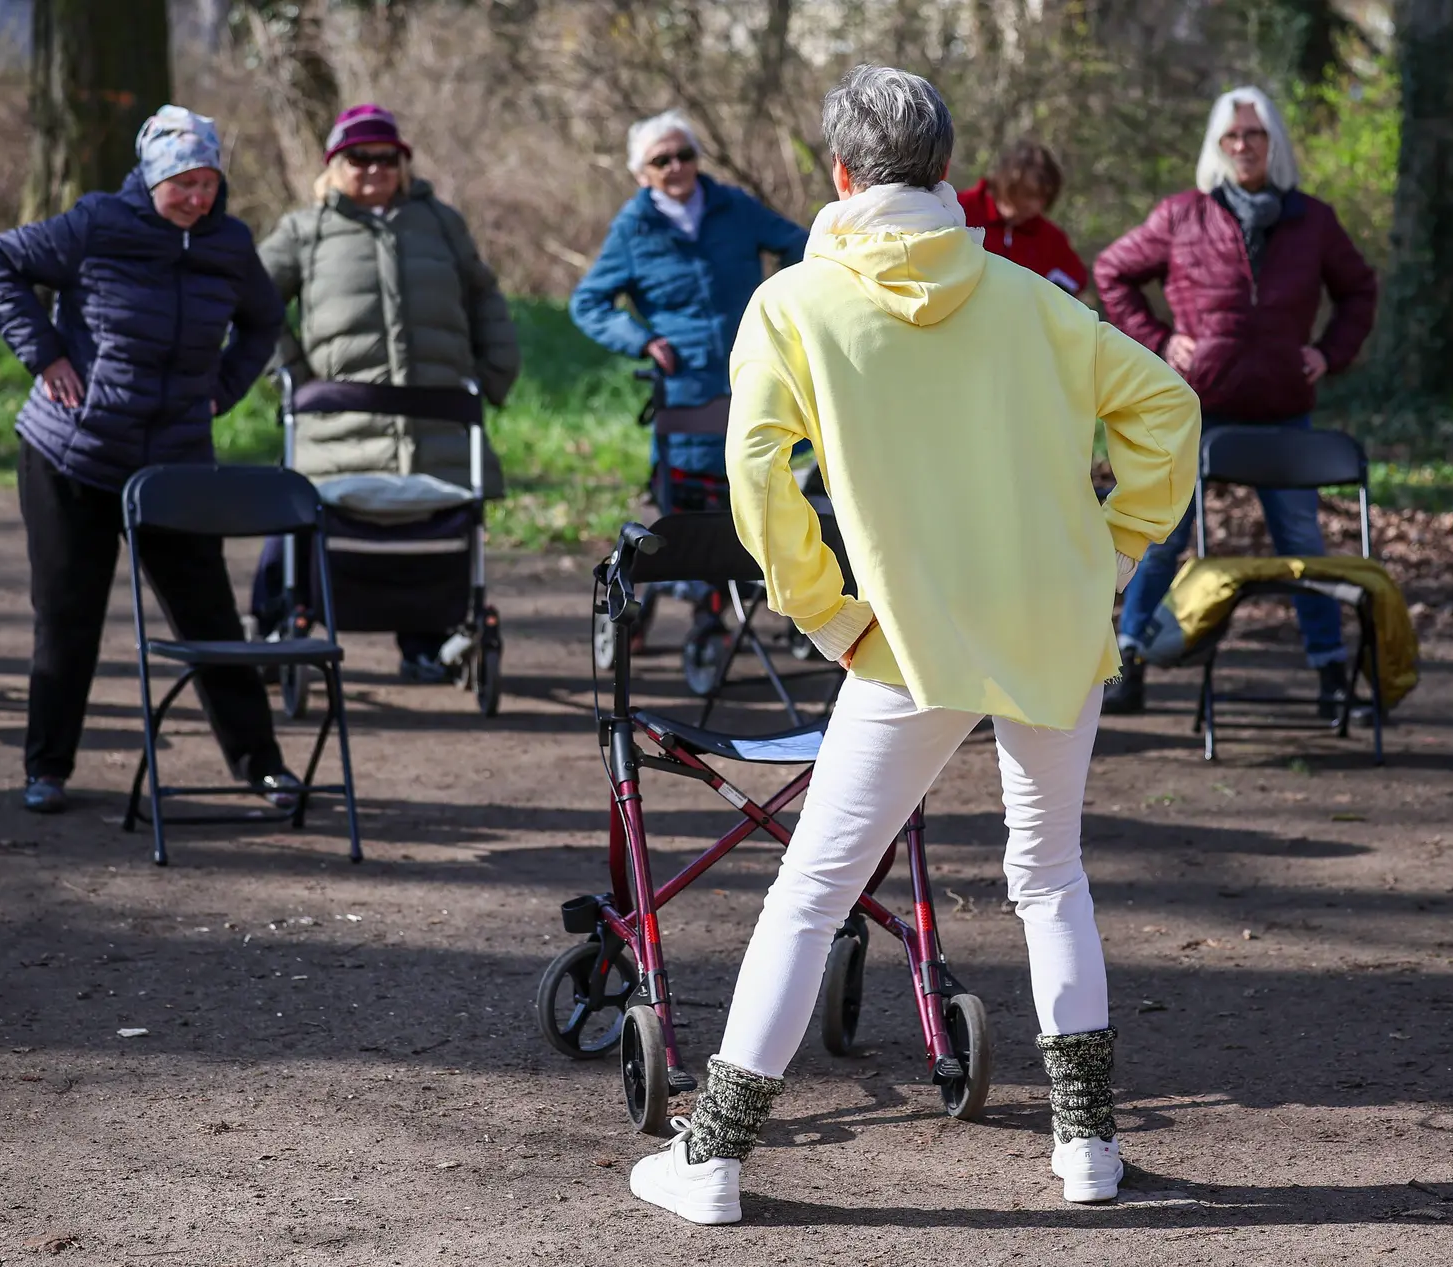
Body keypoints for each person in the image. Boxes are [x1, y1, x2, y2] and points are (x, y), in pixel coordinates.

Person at [625, 66, 1200, 1225]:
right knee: (1050, 876)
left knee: (812, 888)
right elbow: (1168, 411)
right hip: (1051, 615)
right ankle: (1086, 1147)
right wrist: (1116, 548)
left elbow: (754, 482)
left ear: (840, 177)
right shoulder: (1028, 296)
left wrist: (830, 612)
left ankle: (716, 1155)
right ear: (945, 170)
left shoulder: (793, 304)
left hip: (904, 639)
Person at [0, 106, 293, 816]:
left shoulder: (230, 245)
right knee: (68, 614)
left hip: (174, 466)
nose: (197, 197)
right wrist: (47, 354)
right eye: (183, 182)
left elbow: (264, 320)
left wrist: (223, 389)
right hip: (71, 454)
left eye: (209, 183)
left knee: (209, 616)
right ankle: (47, 768)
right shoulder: (96, 225)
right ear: (152, 179)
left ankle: (262, 765)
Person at [1095, 85, 1377, 715]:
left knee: (1300, 541)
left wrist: (1328, 354)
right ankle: (1127, 660)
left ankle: (1333, 674)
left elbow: (1360, 290)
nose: (1244, 146)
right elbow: (1112, 271)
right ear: (1217, 147)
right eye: (1232, 137)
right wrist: (1162, 340)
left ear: (1273, 142)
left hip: (1282, 408)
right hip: (1198, 405)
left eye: (1254, 135)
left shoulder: (1314, 221)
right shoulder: (1181, 214)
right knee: (1164, 535)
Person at [258, 104, 522, 684]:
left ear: (403, 164)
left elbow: (484, 296)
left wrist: (496, 369)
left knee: (437, 527)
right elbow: (254, 300)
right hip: (335, 436)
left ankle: (428, 641)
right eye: (360, 158)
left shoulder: (441, 223)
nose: (375, 169)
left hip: (437, 433)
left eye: (388, 157)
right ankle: (276, 617)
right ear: (334, 166)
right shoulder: (306, 229)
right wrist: (297, 375)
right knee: (294, 509)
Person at [569, 110, 808, 640]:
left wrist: (788, 300)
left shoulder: (733, 206)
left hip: (751, 373)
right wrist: (642, 340)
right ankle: (703, 610)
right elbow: (588, 304)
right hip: (685, 389)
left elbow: (799, 241)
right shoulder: (633, 229)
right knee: (691, 502)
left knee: (758, 486)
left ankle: (761, 601)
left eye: (684, 155)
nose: (677, 167)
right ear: (642, 174)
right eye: (662, 160)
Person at [957, 138, 1089, 294]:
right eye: (1027, 194)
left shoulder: (1050, 239)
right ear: (1006, 182)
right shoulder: (958, 211)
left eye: (1042, 198)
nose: (1034, 206)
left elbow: (1076, 279)